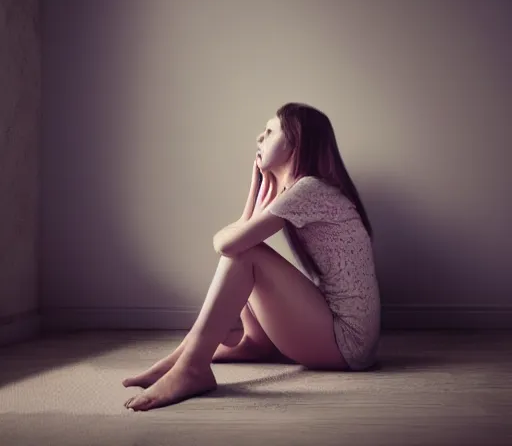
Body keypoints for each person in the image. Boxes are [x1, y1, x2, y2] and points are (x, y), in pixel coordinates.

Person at [122, 102, 381, 411]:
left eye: (270, 131)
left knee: (246, 254)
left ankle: (191, 367)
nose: (259, 137)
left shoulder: (309, 190)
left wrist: (240, 222)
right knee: (244, 249)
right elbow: (238, 234)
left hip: (347, 343)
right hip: (343, 334)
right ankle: (236, 347)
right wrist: (257, 187)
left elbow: (228, 244)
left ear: (294, 143)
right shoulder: (302, 190)